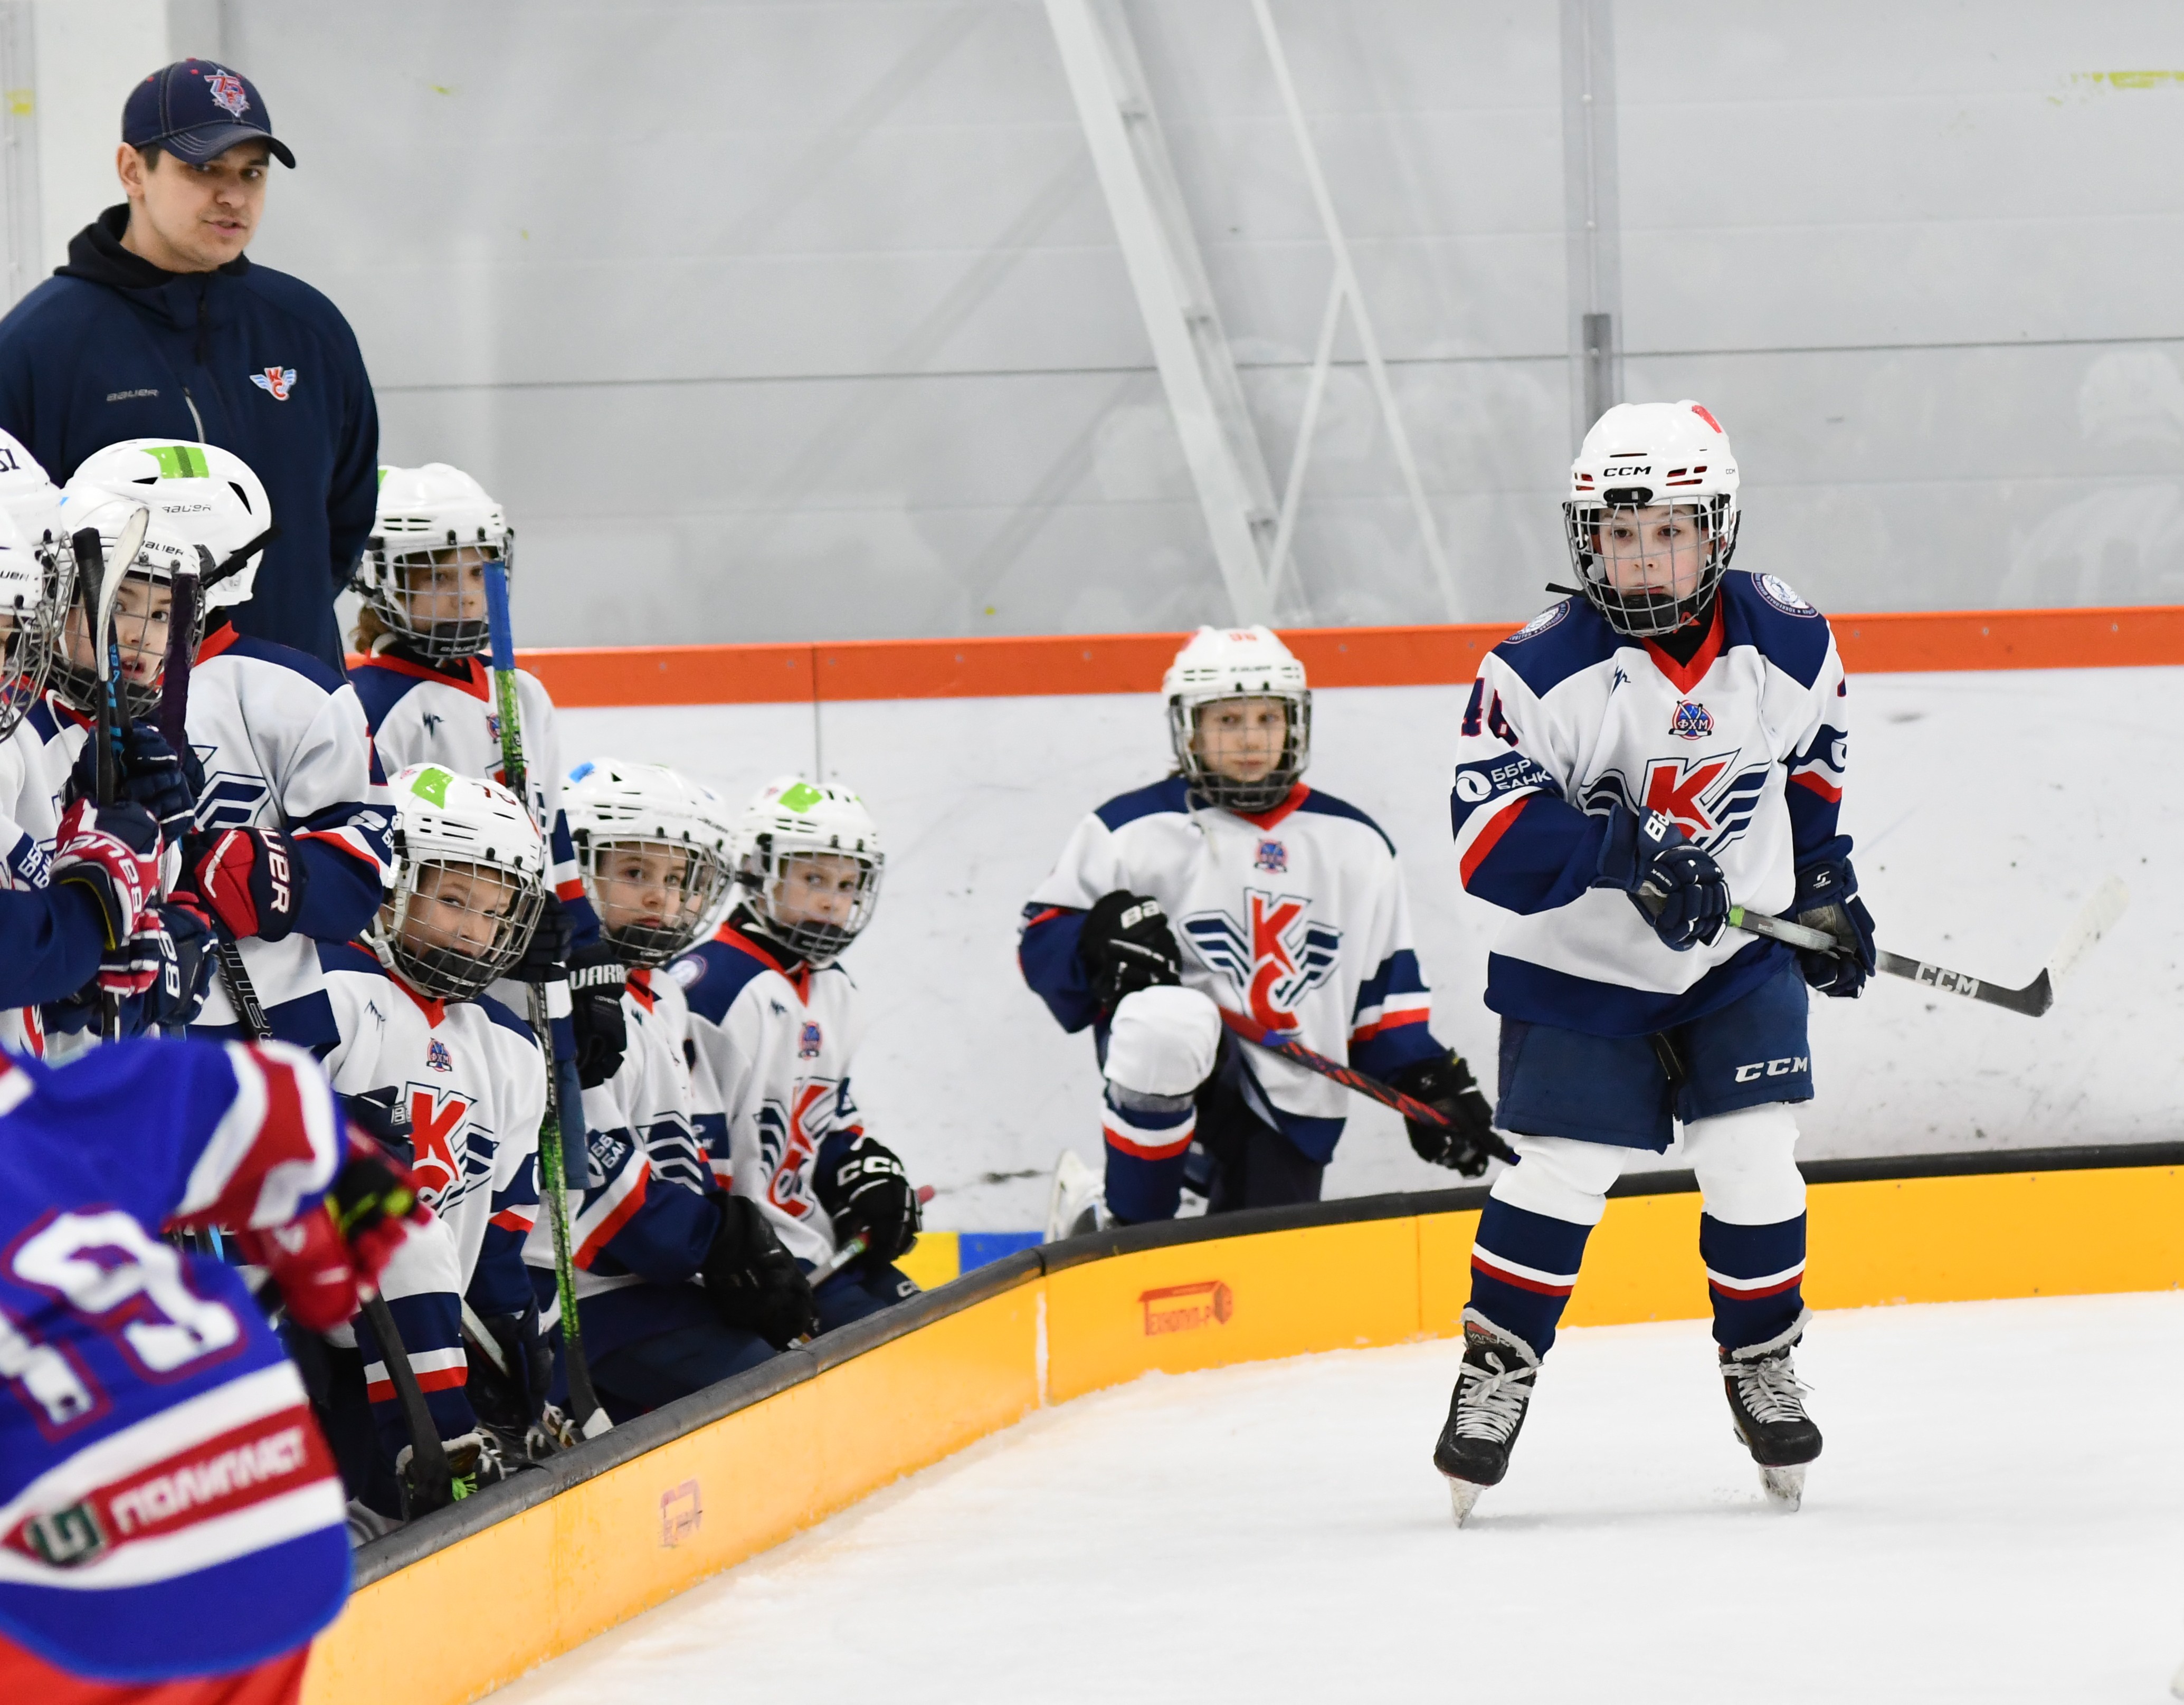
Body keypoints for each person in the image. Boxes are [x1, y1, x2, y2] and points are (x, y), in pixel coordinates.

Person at [1431, 400, 1873, 1522]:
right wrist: (1619, 853)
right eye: (1617, 533)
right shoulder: (1532, 671)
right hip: (1577, 971)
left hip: (1732, 964)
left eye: (1665, 531)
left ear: (1714, 529)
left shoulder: (1784, 639)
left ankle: (1759, 1359)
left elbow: (1812, 771)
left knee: (1751, 1157)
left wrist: (1824, 885)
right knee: (1561, 1170)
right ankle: (1496, 1370)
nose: (1639, 556)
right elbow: (1486, 843)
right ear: (1585, 537)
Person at [1018, 625, 1498, 1233]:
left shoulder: (1354, 843)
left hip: (1296, 1086)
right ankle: (1128, 1226)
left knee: (1262, 1268)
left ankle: (1093, 1211)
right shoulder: (1129, 830)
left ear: (1294, 724)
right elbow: (1041, 937)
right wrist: (1091, 943)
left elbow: (1382, 997)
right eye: (1227, 721)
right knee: (1168, 1023)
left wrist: (1427, 1081)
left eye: (1267, 719)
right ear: (1189, 728)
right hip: (1185, 1073)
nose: (1250, 738)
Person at [0, 1033, 428, 1704]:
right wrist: (338, 1177)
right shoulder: (25, 1101)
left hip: (73, 1567)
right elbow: (279, 1099)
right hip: (267, 1498)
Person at [0, 59, 378, 670]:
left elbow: (342, 524)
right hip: (108, 739)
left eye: (251, 173)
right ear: (133, 170)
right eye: (202, 169)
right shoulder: (38, 347)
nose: (233, 196)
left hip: (297, 709)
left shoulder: (311, 330)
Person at [39, 441, 391, 1054]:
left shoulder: (296, 692)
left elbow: (364, 862)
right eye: (117, 598)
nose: (132, 630)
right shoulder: (43, 702)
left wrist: (270, 877)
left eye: (154, 607)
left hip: (268, 1024)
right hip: (88, 1029)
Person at [534, 759, 813, 1421]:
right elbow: (603, 1190)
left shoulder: (661, 995)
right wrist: (718, 1246)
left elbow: (690, 1156)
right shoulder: (566, 1006)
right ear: (580, 874)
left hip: (653, 1285)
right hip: (577, 1301)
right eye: (635, 874)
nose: (663, 898)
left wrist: (741, 1249)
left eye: (678, 878)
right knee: (776, 1402)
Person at [314, 764, 554, 1521]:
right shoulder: (324, 991)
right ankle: (438, 1453)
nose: (472, 930)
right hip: (300, 1323)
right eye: (451, 899)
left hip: (410, 1352)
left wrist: (525, 1365)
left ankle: (434, 1461)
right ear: (389, 882)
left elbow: (501, 1239)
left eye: (493, 911)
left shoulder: (510, 1050)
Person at [347, 462, 625, 1093]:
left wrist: (586, 954)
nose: (466, 594)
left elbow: (550, 837)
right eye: (439, 576)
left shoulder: (523, 697)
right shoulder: (364, 704)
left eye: (477, 572)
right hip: (425, 974)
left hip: (525, 974)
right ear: (381, 581)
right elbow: (368, 861)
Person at [674, 777, 923, 1333]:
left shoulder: (835, 990)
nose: (834, 900)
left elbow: (825, 1125)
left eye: (848, 883)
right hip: (747, 1267)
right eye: (813, 879)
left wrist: (866, 1178)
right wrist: (727, 1258)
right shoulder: (713, 989)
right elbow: (687, 1153)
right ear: (759, 873)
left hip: (812, 1246)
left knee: (940, 1331)